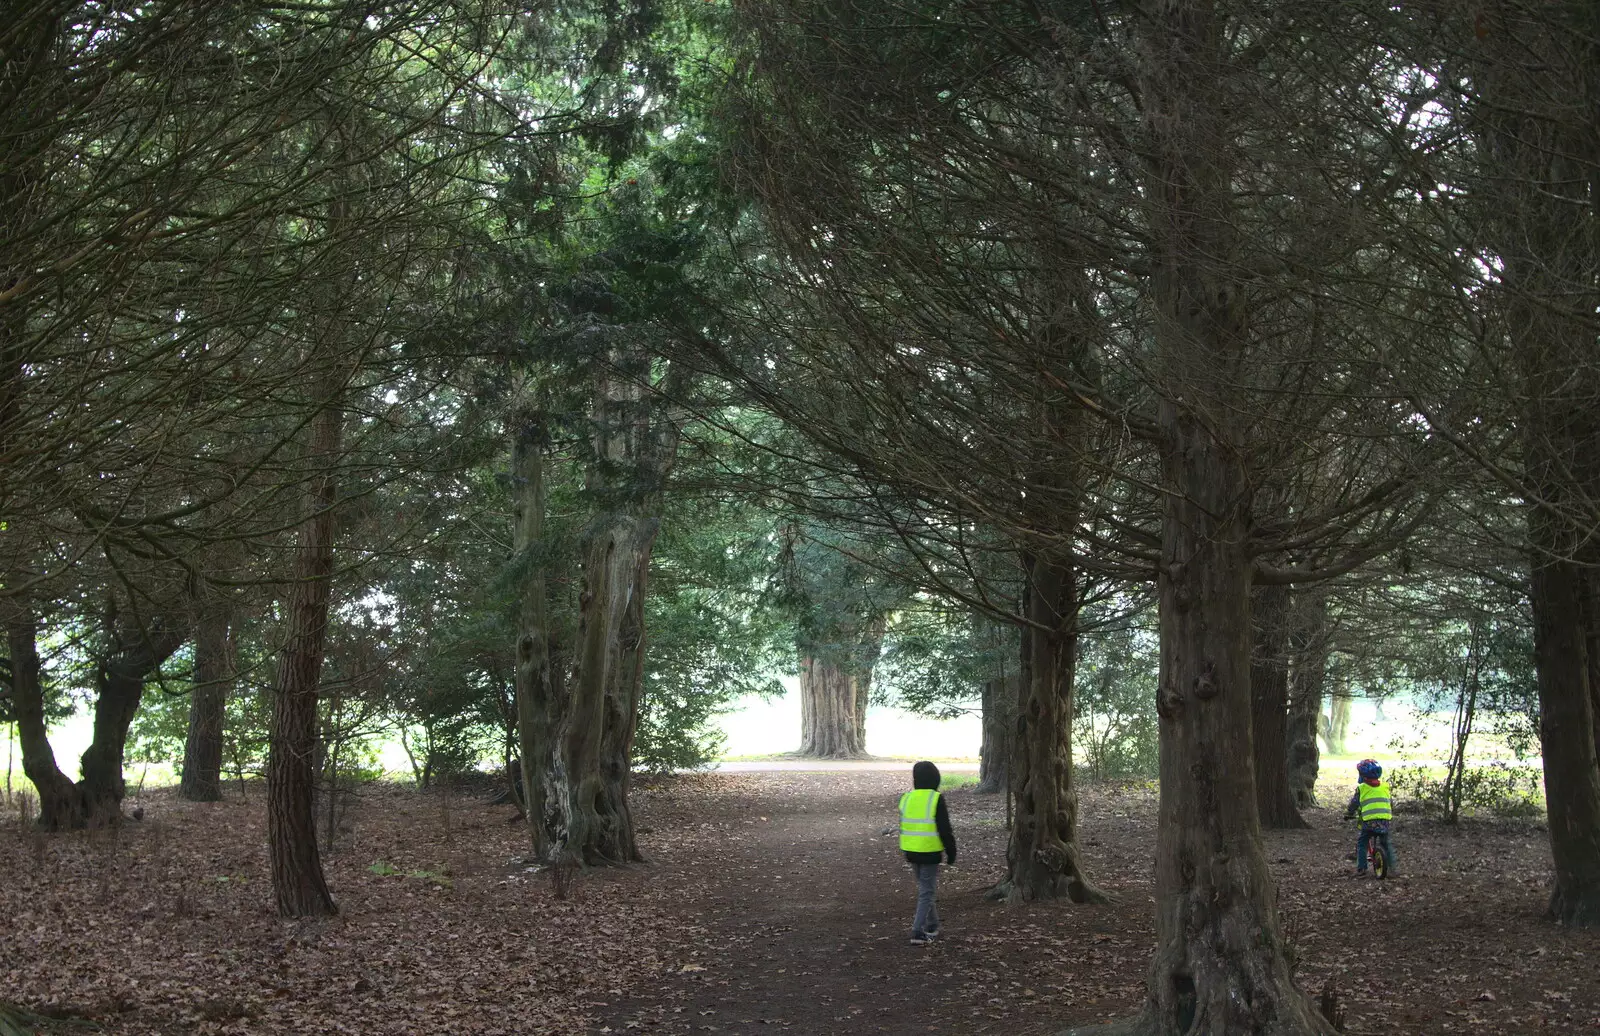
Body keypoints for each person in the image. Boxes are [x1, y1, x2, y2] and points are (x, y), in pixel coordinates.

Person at [899, 760, 957, 945]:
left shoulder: (907, 798)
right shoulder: (935, 798)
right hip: (930, 851)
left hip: (910, 850)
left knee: (925, 889)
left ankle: (932, 924)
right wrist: (951, 851)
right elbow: (944, 828)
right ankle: (917, 931)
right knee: (927, 891)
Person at [1343, 758, 1396, 878]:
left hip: (1369, 822)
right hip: (1385, 820)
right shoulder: (1385, 786)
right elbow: (1389, 802)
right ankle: (1393, 866)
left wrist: (1349, 813)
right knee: (1385, 842)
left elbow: (1354, 804)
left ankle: (1362, 868)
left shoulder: (1362, 788)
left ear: (1363, 776)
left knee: (1362, 842)